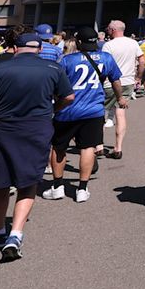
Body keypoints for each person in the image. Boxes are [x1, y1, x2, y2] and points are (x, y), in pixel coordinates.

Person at [0, 33, 74, 261]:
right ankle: (15, 234)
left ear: (15, 48)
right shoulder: (53, 68)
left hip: (1, 130)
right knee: (27, 184)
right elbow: (68, 97)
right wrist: (52, 109)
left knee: (0, 183)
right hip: (36, 130)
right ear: (39, 49)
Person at [45, 27, 121, 203]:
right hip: (93, 110)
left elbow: (55, 84)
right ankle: (82, 188)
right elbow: (116, 80)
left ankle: (57, 186)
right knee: (88, 148)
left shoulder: (66, 60)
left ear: (78, 42)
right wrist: (120, 98)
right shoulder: (106, 58)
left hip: (67, 110)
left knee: (58, 147)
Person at [101, 20, 142, 159]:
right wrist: (138, 77)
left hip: (110, 82)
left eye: (108, 29)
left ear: (113, 30)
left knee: (102, 112)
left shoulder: (108, 45)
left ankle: (98, 145)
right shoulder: (133, 43)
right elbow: (142, 60)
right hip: (128, 81)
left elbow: (104, 64)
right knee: (121, 113)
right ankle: (118, 147)